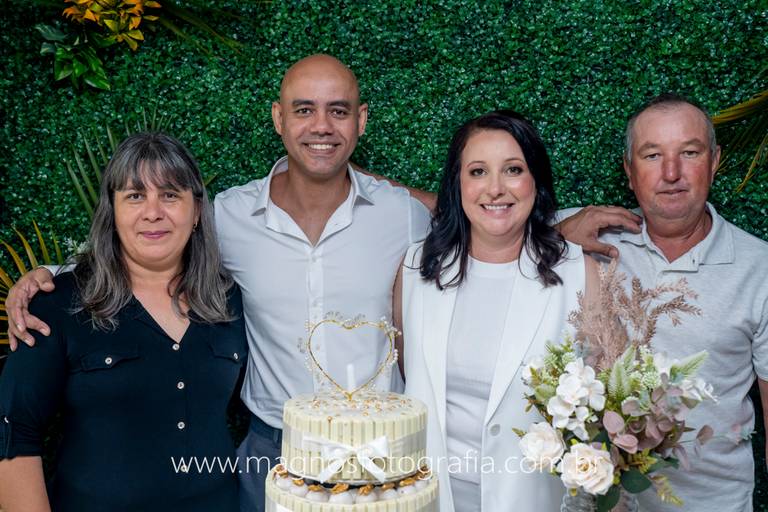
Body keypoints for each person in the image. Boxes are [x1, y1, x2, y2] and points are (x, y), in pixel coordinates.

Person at [4, 54, 434, 510]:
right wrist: (49, 277)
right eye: (304, 109)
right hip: (273, 451)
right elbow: (149, 242)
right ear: (279, 118)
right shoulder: (230, 215)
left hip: (379, 451)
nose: (321, 126)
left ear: (361, 120)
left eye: (339, 111)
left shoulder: (402, 215)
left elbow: (467, 222)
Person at [0, 133, 247, 512]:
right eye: (134, 196)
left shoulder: (228, 300)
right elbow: (14, 430)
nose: (153, 212)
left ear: (197, 211)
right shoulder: (57, 305)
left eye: (170, 195)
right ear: (112, 212)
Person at [558, 93, 768, 512]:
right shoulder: (587, 238)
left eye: (689, 152)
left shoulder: (760, 268)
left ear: (714, 161)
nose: (671, 173)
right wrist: (556, 234)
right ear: (629, 170)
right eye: (652, 155)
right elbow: (464, 232)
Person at [396, 110, 599, 511]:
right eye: (477, 172)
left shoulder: (580, 273)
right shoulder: (417, 267)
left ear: (535, 180)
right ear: (457, 183)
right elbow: (409, 371)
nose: (495, 189)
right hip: (429, 495)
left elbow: (603, 404)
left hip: (535, 499)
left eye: (513, 170)